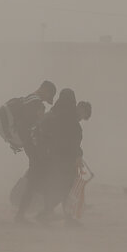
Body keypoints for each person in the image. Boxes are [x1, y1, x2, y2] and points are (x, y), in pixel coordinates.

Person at [35, 88, 85, 224]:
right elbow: (75, 139)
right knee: (68, 187)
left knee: (54, 185)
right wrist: (78, 155)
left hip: (53, 157)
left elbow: (44, 134)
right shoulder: (71, 118)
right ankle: (65, 216)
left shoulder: (53, 114)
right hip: (68, 159)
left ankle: (47, 212)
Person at [10, 83, 56, 223]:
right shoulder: (33, 101)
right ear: (45, 90)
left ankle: (44, 211)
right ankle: (24, 214)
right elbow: (32, 126)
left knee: (39, 176)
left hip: (31, 146)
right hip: (33, 147)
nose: (45, 101)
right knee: (37, 177)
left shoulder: (29, 100)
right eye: (48, 96)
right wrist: (41, 119)